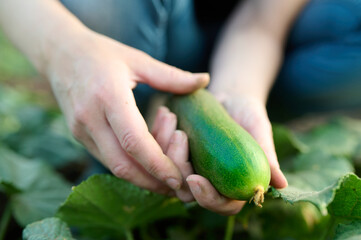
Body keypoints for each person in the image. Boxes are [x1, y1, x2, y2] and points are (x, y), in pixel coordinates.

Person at [1, 0, 360, 216]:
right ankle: (115, 129)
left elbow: (261, 18)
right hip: (131, 26)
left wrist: (237, 92)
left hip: (243, 48)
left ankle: (168, 118)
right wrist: (65, 49)